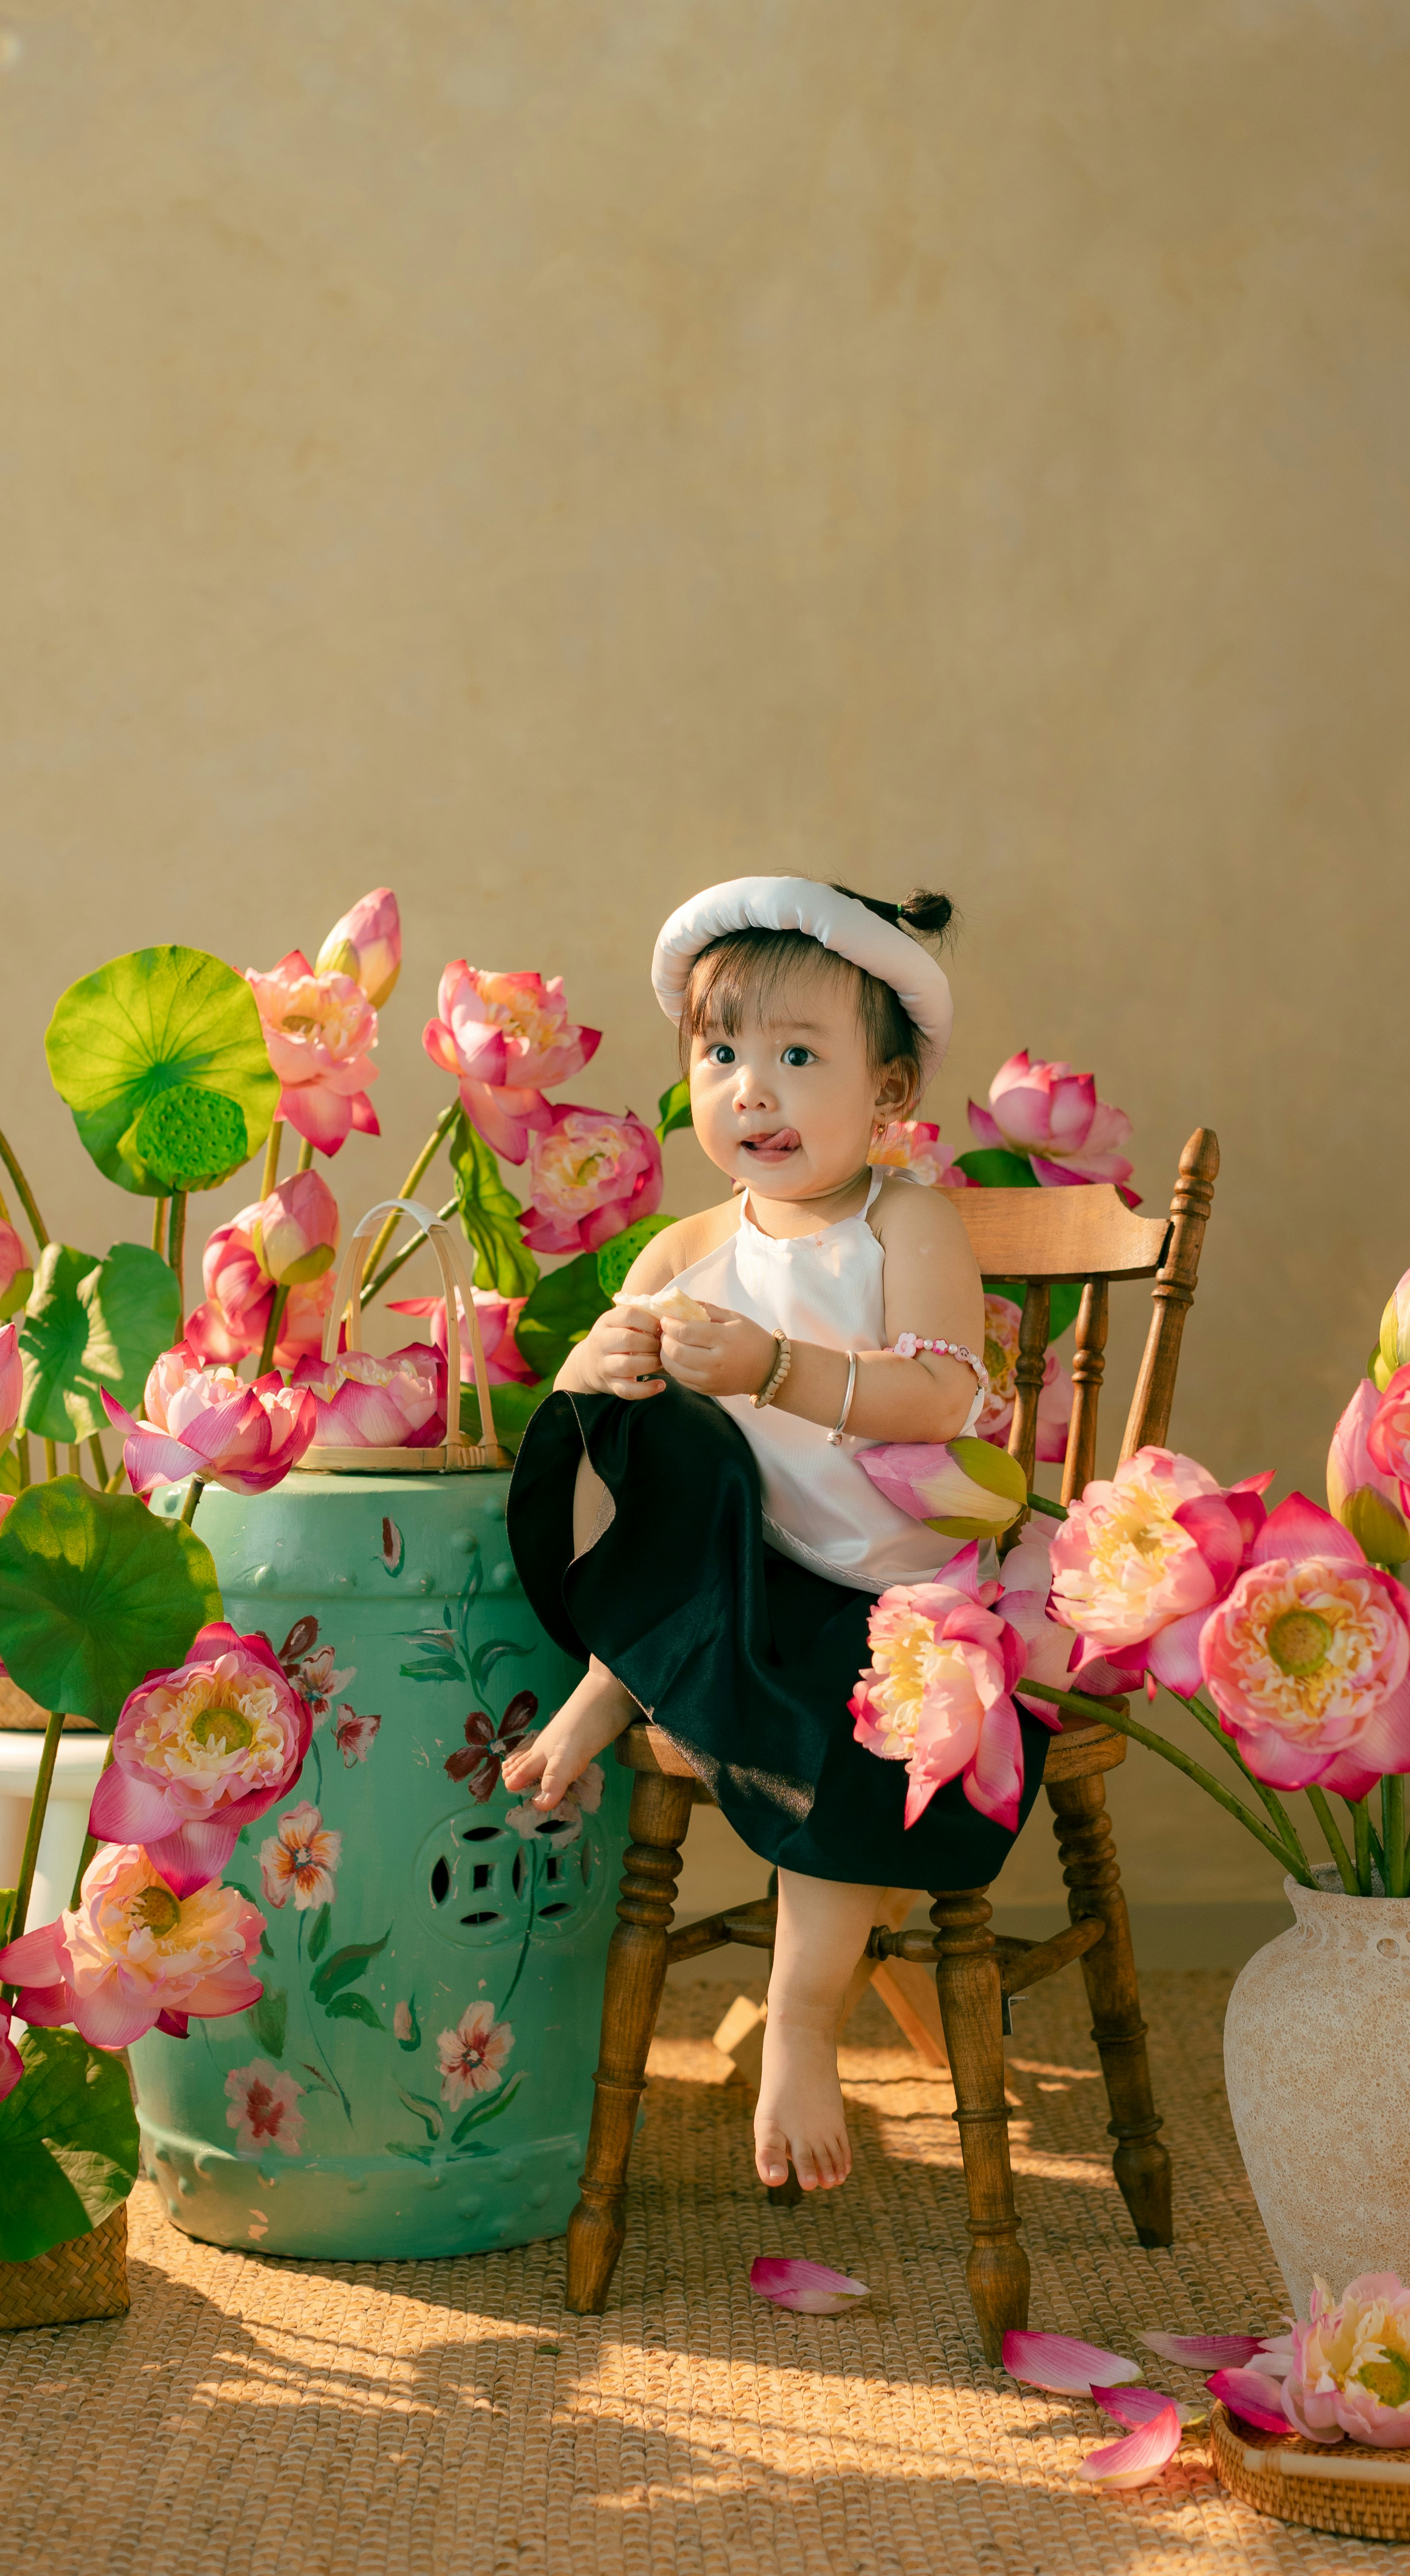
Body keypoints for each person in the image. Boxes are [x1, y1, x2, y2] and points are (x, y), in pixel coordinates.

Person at [503, 875, 1052, 2198]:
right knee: (638, 1444)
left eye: (799, 1057)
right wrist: (606, 1362)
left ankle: (803, 2018)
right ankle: (605, 1686)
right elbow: (604, 1434)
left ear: (889, 1097)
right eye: (723, 1054)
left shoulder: (904, 1224)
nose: (753, 1089)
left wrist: (772, 1365)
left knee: (864, 1744)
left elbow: (944, 1396)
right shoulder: (679, 1251)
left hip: (892, 1596)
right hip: (734, 1573)